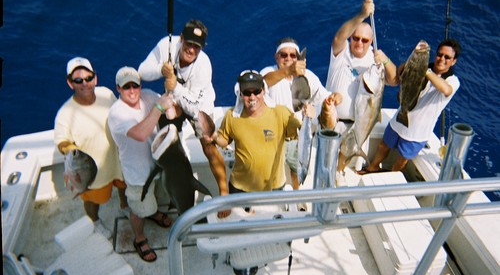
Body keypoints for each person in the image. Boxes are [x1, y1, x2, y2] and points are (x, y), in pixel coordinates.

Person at [207, 70, 338, 218]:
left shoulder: (280, 113)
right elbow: (225, 140)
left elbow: (305, 134)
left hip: (274, 189)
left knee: (269, 232)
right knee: (241, 233)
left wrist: (311, 117)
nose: (252, 97)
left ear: (264, 91)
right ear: (240, 94)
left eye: (256, 91)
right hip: (239, 188)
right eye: (247, 93)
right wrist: (214, 136)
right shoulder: (232, 116)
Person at [138, 19, 228, 197]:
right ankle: (172, 178)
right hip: (174, 100)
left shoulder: (204, 65)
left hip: (199, 104)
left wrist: (176, 88)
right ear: (181, 39)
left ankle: (224, 190)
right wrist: (161, 70)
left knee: (208, 145)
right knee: (166, 140)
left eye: (197, 46)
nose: (192, 49)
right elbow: (142, 72)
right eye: (189, 43)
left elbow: (194, 107)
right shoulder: (167, 45)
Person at [359, 39, 461, 174]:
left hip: (417, 133)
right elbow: (398, 76)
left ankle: (391, 180)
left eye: (447, 57)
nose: (442, 59)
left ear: (454, 61)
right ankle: (372, 167)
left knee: (402, 159)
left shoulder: (452, 81)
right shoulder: (421, 67)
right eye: (439, 54)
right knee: (384, 145)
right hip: (399, 120)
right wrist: (410, 62)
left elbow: (446, 90)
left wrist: (424, 71)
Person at [54, 57, 127, 239]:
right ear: (70, 83)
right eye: (78, 80)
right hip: (92, 170)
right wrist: (71, 150)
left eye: (88, 78)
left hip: (117, 159)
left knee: (124, 185)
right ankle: (94, 220)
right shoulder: (65, 113)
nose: (84, 83)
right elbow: (62, 141)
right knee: (92, 197)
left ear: (95, 78)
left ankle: (125, 206)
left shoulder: (106, 94)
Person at [108, 66, 174, 262]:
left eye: (135, 85)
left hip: (157, 164)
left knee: (153, 200)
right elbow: (140, 133)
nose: (132, 91)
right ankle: (139, 238)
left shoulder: (146, 95)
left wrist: (170, 94)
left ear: (140, 85)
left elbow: (169, 109)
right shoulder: (117, 113)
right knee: (138, 210)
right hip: (137, 174)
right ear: (118, 89)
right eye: (126, 87)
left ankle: (152, 213)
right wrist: (159, 108)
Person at [325, 0, 397, 173]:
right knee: (325, 157)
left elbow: (394, 80)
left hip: (358, 125)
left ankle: (338, 174)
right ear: (351, 38)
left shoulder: (376, 59)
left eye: (365, 40)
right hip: (330, 119)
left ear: (370, 42)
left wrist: (386, 60)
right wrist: (362, 14)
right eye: (356, 38)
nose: (359, 43)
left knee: (345, 155)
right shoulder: (341, 52)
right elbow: (338, 38)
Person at [261, 37, 342, 190]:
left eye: (293, 55)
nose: (288, 58)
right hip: (271, 135)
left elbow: (325, 97)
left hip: (299, 136)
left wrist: (335, 97)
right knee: (269, 171)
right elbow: (262, 84)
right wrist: (288, 71)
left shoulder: (308, 76)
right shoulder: (269, 72)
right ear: (276, 57)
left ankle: (298, 193)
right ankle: (270, 196)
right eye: (284, 55)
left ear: (298, 58)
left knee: (296, 169)